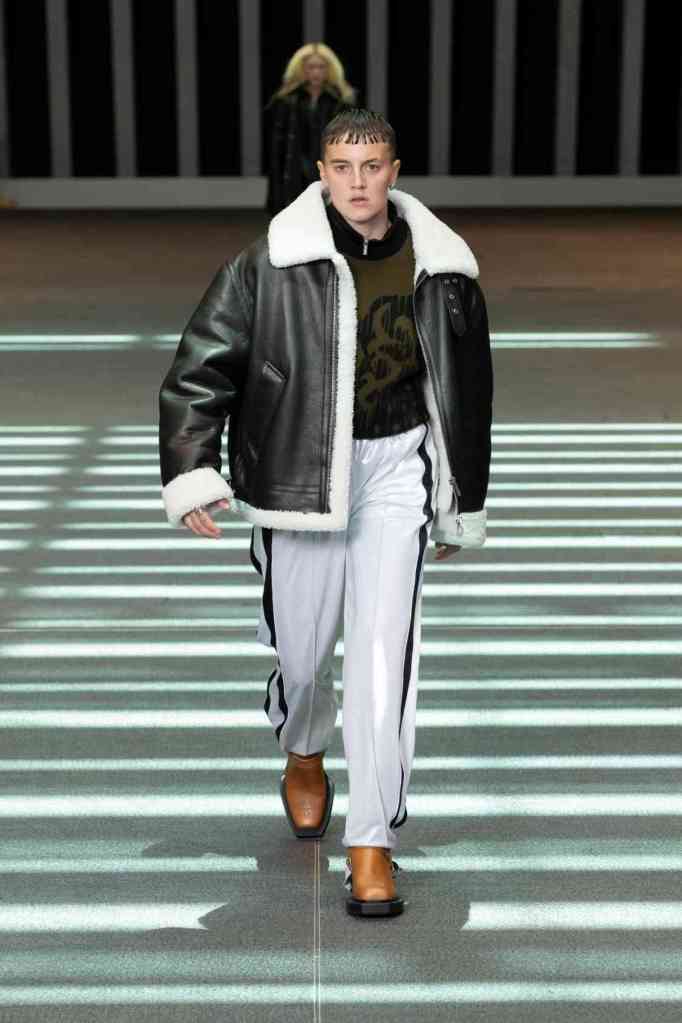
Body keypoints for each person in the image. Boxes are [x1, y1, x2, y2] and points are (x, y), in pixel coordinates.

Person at [158, 108, 493, 919]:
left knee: (383, 658)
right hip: (300, 472)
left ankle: (371, 841)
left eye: (372, 166)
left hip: (396, 468)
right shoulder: (270, 261)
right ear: (321, 172)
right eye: (342, 167)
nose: (357, 182)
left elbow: (468, 390)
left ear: (394, 170)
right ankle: (303, 748)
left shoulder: (443, 265)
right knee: (303, 655)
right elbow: (202, 365)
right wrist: (194, 467)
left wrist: (460, 497)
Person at [265, 42, 357, 216]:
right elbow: (277, 146)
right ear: (301, 70)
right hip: (294, 169)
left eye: (321, 67)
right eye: (310, 67)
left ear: (329, 70)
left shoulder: (341, 102)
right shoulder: (286, 101)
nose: (316, 72)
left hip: (330, 168)